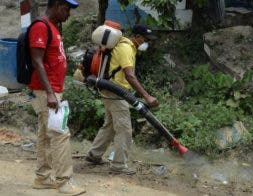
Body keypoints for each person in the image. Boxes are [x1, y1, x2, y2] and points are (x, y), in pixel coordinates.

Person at [85, 24, 159, 175]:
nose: (147, 43)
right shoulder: (126, 48)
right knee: (124, 129)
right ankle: (119, 165)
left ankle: (94, 155)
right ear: (137, 37)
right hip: (115, 92)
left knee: (110, 125)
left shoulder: (128, 47)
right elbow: (129, 75)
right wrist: (147, 96)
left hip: (112, 90)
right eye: (146, 39)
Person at [28, 0, 85, 195]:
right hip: (46, 92)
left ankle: (42, 177)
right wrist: (51, 92)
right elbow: (37, 60)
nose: (69, 13)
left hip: (49, 90)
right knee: (61, 134)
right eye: (67, 9)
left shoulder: (52, 27)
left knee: (45, 134)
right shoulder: (40, 26)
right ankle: (64, 182)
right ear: (57, 5)